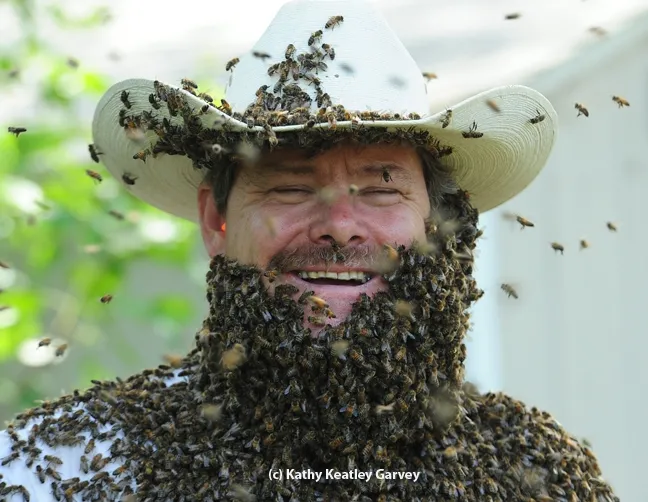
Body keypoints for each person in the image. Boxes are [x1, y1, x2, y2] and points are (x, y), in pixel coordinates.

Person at [0, 0, 619, 500]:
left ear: (440, 223)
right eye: (291, 185)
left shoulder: (541, 478)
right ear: (216, 219)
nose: (341, 226)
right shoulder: (54, 468)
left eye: (382, 187)